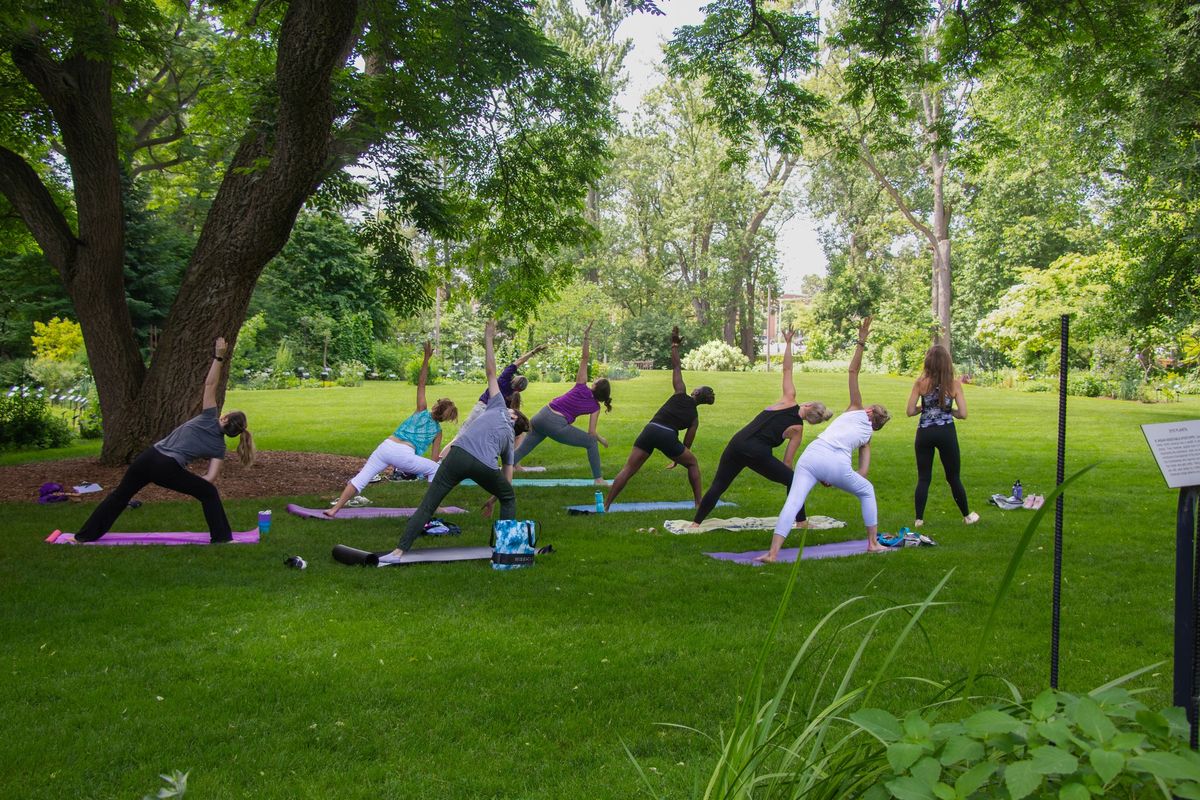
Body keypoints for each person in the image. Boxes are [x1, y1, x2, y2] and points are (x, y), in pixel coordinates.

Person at [74, 337, 255, 543]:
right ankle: (222, 538)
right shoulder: (218, 447)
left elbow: (210, 383)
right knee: (209, 492)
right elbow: (210, 478)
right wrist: (189, 482)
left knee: (120, 496)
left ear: (224, 418)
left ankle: (84, 536)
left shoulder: (208, 417)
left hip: (147, 457)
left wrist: (219, 356)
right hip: (166, 467)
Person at [379, 321, 528, 564]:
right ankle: (505, 552)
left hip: (457, 455)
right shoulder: (510, 439)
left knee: (429, 504)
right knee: (509, 498)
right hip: (482, 465)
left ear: (513, 416)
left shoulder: (499, 405)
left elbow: (492, 372)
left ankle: (398, 552)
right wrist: (494, 499)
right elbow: (507, 482)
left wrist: (488, 337)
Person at [759, 317, 891, 562]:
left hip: (812, 454)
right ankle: (872, 544)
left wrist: (861, 342)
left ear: (870, 412)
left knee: (794, 500)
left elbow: (853, 371)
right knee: (867, 491)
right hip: (834, 461)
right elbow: (862, 474)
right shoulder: (867, 438)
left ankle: (773, 552)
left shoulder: (856, 409)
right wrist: (836, 476)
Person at [688, 329, 831, 529]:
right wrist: (785, 475)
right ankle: (801, 522)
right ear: (811, 419)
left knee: (719, 485)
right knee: (794, 480)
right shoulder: (798, 429)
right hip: (757, 452)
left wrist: (788, 342)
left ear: (807, 406)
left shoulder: (788, 399)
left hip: (737, 442)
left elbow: (787, 370)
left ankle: (695, 524)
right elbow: (787, 463)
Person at [325, 342, 456, 517]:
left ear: (435, 407)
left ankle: (334, 509)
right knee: (435, 469)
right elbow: (433, 460)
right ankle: (435, 507)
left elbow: (422, 383)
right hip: (404, 455)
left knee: (361, 479)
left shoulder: (421, 410)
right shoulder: (437, 432)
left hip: (386, 447)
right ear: (446, 419)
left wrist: (426, 359)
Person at [604, 327, 714, 510]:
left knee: (628, 469)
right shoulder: (694, 418)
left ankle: (606, 505)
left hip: (650, 429)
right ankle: (698, 503)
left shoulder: (680, 392)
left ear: (695, 392)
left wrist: (674, 346)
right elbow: (686, 444)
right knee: (693, 463)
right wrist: (677, 459)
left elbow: (677, 366)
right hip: (667, 437)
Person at [513, 320, 611, 485]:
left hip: (541, 415)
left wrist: (586, 337)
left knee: (523, 449)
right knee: (591, 442)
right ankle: (599, 479)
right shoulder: (595, 407)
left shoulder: (581, 385)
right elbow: (591, 433)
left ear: (594, 386)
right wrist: (600, 439)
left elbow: (584, 358)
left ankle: (501, 470)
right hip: (555, 423)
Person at [906, 345, 979, 527]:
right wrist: (948, 410)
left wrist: (925, 408)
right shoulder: (954, 384)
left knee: (924, 478)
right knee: (953, 476)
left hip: (924, 432)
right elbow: (963, 413)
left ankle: (919, 519)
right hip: (946, 431)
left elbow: (909, 411)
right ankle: (967, 516)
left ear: (928, 362)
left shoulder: (920, 383)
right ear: (947, 363)